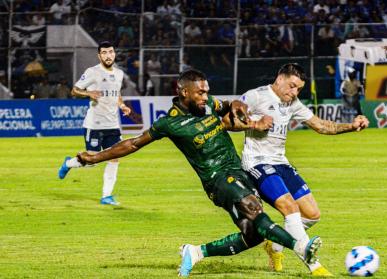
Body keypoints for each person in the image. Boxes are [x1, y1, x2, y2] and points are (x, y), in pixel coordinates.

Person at [70, 69, 322, 277]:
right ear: (184, 92)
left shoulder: (209, 105)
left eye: (207, 90)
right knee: (255, 212)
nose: (206, 95)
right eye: (200, 92)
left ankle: (196, 252)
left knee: (253, 234)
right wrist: (96, 156)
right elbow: (132, 143)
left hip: (238, 171)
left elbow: (230, 105)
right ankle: (303, 250)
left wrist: (241, 112)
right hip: (217, 180)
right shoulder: (169, 123)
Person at [238, 63, 369, 276]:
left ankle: (275, 244)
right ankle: (313, 265)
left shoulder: (293, 103)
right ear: (280, 79)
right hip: (257, 162)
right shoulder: (256, 96)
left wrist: (351, 127)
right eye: (291, 86)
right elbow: (229, 120)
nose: (294, 92)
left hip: (281, 162)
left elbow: (320, 126)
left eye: (298, 89)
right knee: (290, 208)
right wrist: (254, 124)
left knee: (312, 214)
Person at [57, 41, 131, 206]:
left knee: (114, 158)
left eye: (110, 52)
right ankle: (69, 163)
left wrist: (122, 105)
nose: (108, 55)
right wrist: (88, 92)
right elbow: (74, 90)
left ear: (114, 54)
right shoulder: (92, 72)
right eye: (104, 52)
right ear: (99, 56)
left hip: (112, 124)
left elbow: (116, 93)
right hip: (94, 124)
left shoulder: (119, 74)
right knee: (91, 160)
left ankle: (106, 196)